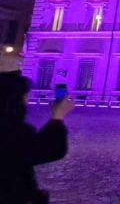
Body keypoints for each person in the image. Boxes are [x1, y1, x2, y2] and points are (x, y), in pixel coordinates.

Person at [0, 71, 74, 203]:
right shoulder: (13, 130)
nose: (26, 100)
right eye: (24, 96)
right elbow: (48, 150)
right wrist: (57, 117)